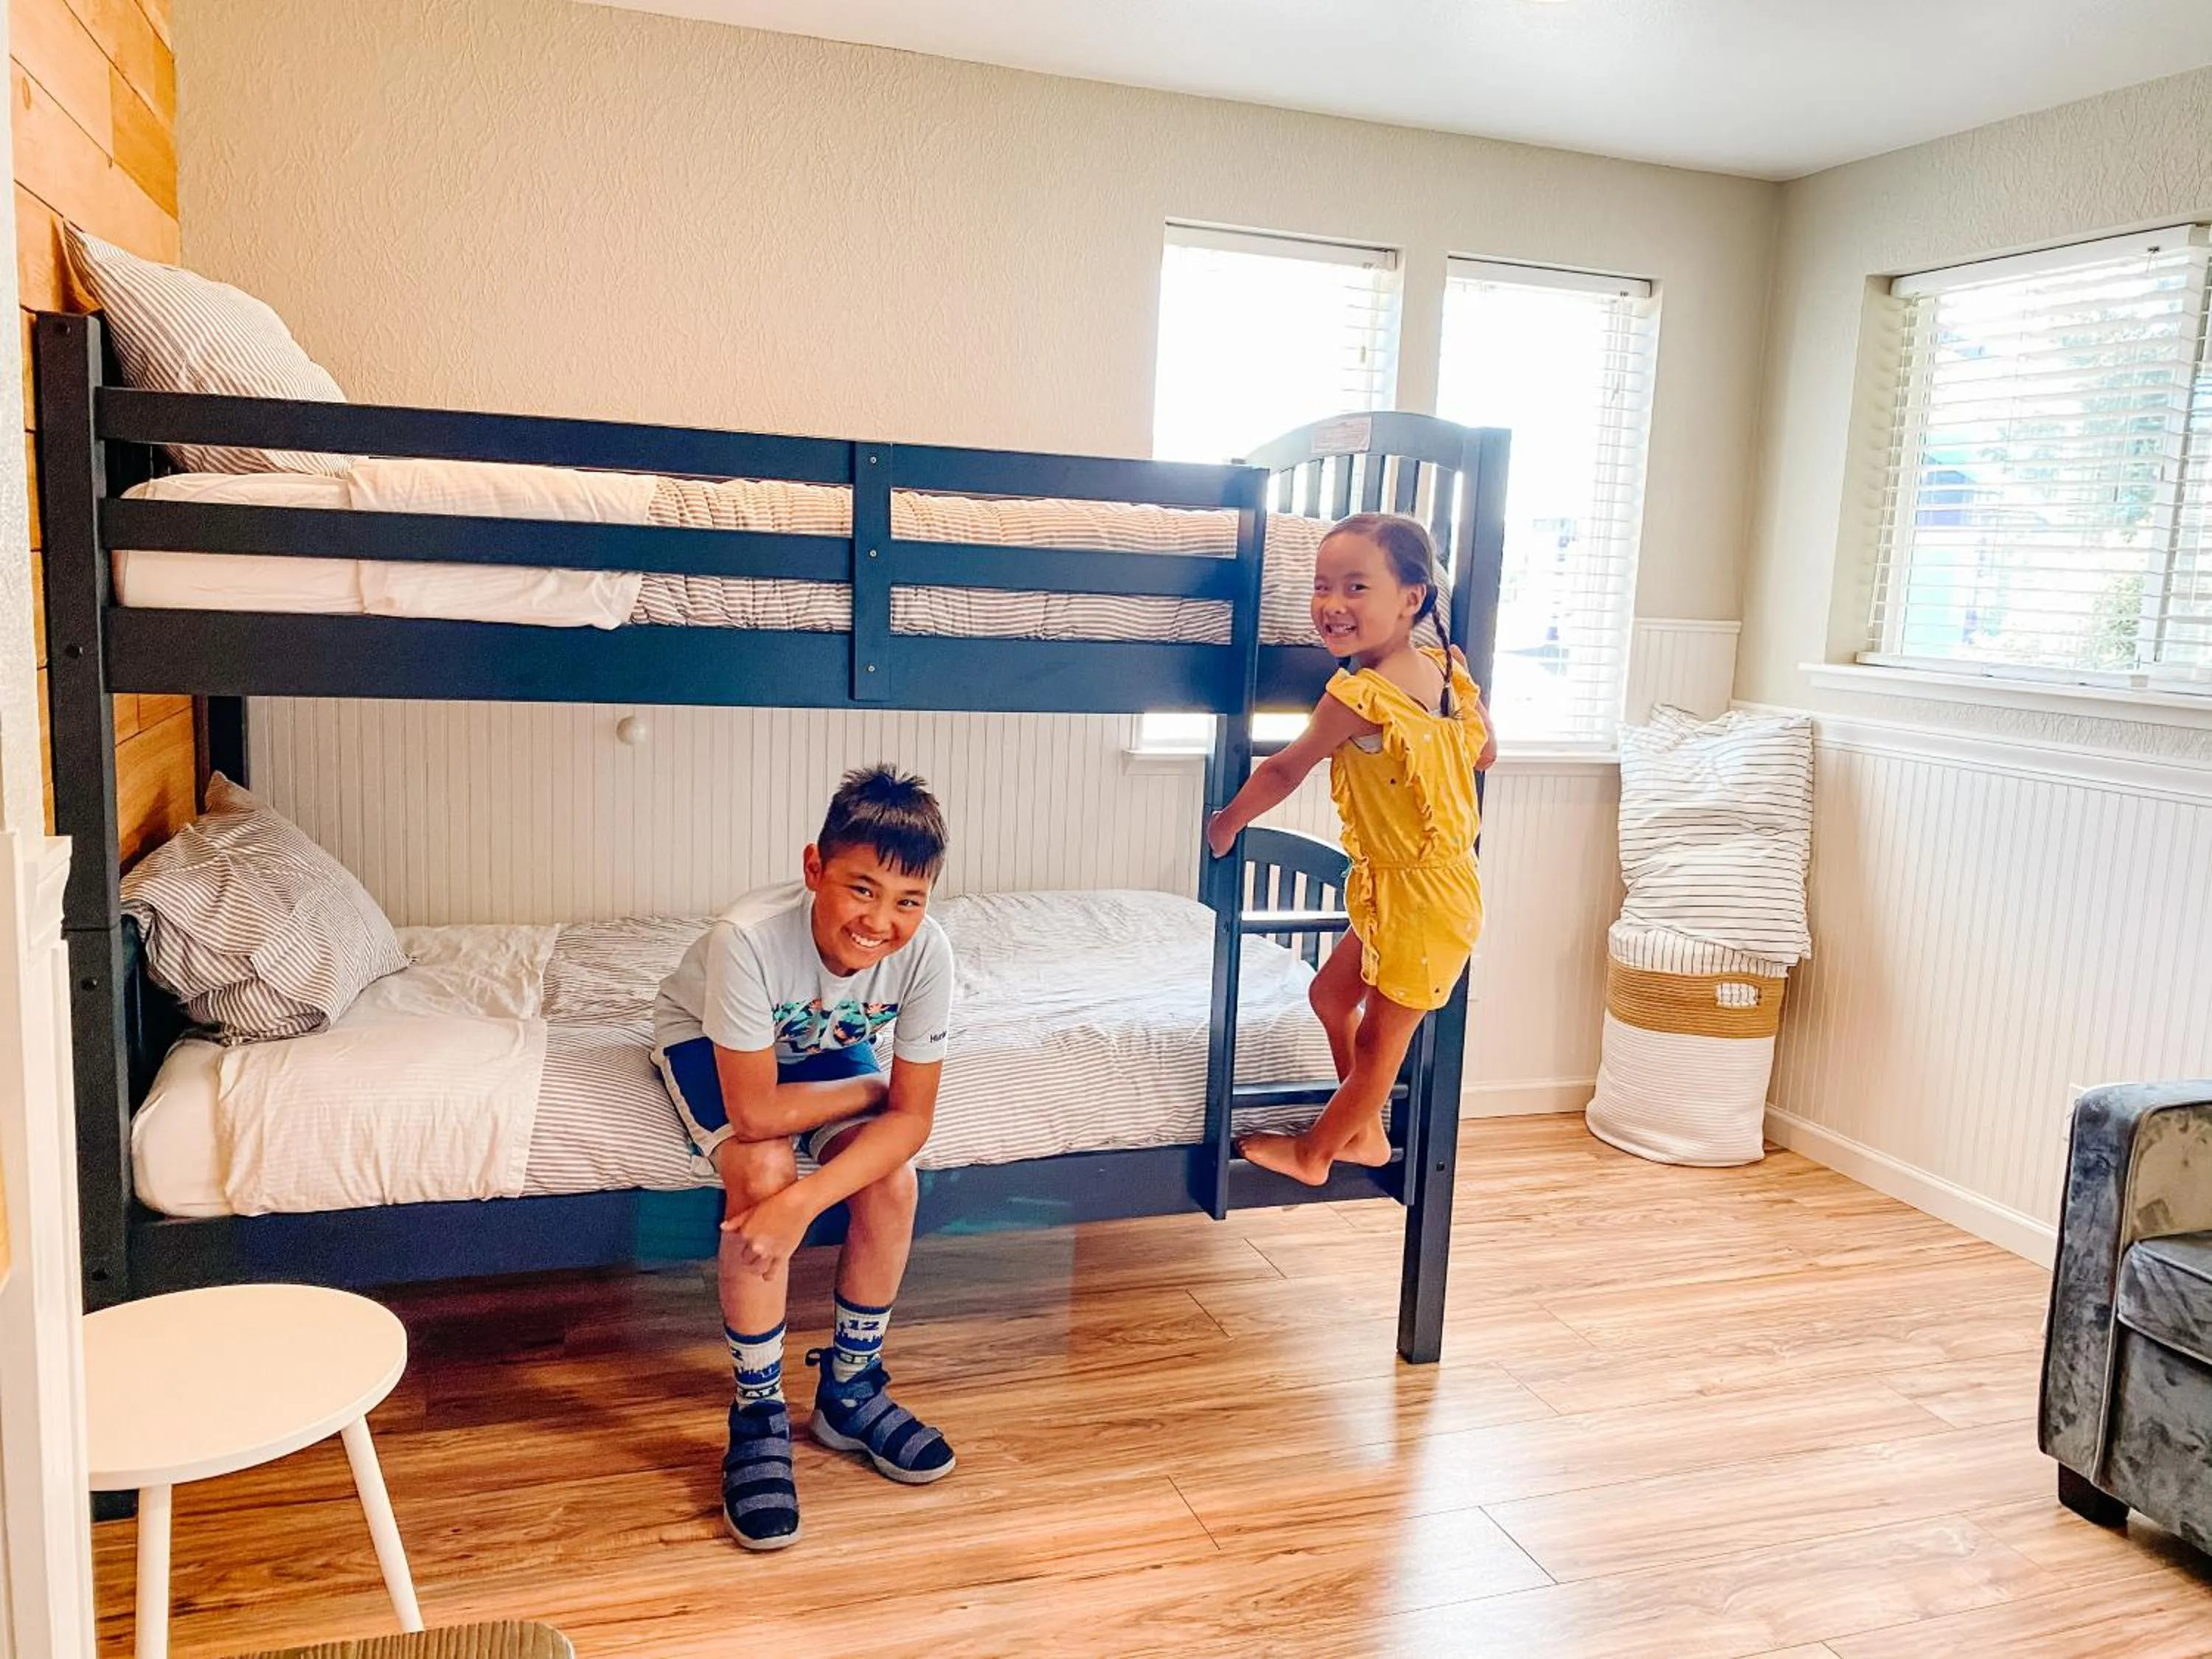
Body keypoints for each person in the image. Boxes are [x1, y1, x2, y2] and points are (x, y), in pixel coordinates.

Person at [652, 765, 956, 1552]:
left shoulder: (930, 955)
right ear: (815, 869)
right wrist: (868, 1096)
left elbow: (912, 1122)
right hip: (717, 1046)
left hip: (823, 1050)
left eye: (908, 901)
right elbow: (756, 1111)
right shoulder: (747, 939)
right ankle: (757, 1411)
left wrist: (804, 1206)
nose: (880, 920)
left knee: (892, 1177)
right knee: (761, 1169)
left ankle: (849, 1391)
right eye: (861, 889)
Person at [1205, 512, 1495, 1186]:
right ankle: (1361, 1129)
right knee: (1331, 997)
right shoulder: (1446, 674)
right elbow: (1486, 754)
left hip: (1425, 898)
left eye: (1357, 587)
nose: (1332, 604)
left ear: (1412, 598)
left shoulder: (1360, 695)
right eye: (1322, 586)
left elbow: (1284, 769)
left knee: (1380, 1042)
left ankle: (1317, 1152)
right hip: (1401, 889)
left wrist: (1227, 824)